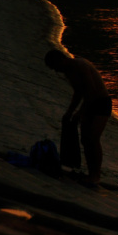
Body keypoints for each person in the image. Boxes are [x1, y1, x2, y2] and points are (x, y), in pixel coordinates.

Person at [44, 49, 111, 186]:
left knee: (93, 138)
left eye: (56, 67)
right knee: (85, 140)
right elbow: (78, 92)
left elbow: (91, 91)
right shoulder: (68, 72)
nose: (57, 71)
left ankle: (95, 175)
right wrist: (69, 112)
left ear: (61, 60)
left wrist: (80, 113)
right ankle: (91, 173)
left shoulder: (80, 65)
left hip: (101, 103)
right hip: (89, 102)